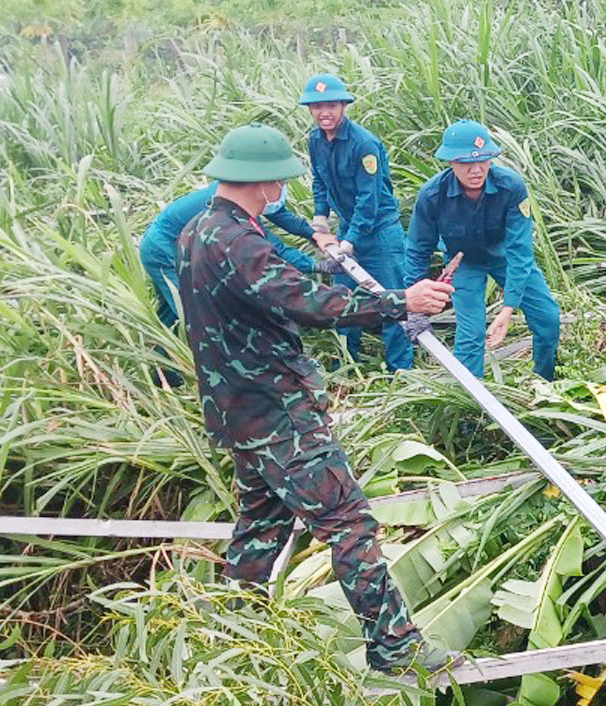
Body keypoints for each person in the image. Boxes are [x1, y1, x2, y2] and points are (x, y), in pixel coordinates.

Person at [176, 123, 458, 672]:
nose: (284, 188)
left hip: (238, 411)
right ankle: (395, 646)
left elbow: (281, 293)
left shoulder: (197, 230)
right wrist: (401, 301)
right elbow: (305, 302)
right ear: (264, 183)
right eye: (281, 180)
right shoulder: (237, 240)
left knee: (262, 523)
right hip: (277, 410)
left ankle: (234, 636)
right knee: (349, 522)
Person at [403, 120, 561, 380]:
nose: (476, 170)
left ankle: (545, 381)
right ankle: (471, 401)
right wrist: (414, 308)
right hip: (463, 262)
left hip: (506, 258)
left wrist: (509, 308)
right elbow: (417, 250)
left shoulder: (511, 187)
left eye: (484, 161)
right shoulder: (432, 195)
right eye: (466, 163)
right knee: (471, 334)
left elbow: (521, 251)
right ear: (451, 162)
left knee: (548, 318)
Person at [300, 73, 413, 371]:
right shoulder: (315, 141)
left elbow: (369, 200)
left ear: (343, 107)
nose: (325, 113)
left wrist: (350, 242)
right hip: (347, 229)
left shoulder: (364, 144)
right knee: (343, 301)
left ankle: (400, 373)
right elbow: (319, 181)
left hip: (379, 233)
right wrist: (321, 220)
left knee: (393, 302)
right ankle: (347, 367)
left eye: (331, 106)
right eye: (317, 107)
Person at [140, 179, 333, 328]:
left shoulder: (243, 187)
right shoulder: (229, 205)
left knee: (172, 314)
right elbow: (271, 247)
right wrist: (316, 265)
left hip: (169, 240)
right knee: (193, 315)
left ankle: (163, 374)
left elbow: (278, 212)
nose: (281, 188)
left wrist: (313, 234)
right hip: (165, 247)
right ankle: (188, 372)